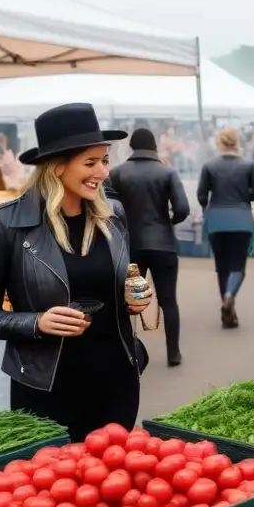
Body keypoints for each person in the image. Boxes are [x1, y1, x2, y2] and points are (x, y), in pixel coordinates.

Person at [0, 103, 147, 441]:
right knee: (53, 486)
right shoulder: (6, 224)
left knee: (113, 482)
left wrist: (132, 297)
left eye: (104, 161)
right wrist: (36, 322)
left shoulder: (113, 214)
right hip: (46, 388)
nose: (103, 172)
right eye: (90, 163)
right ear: (57, 166)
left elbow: (114, 279)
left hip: (116, 381)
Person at [109, 128, 190, 367]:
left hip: (130, 247)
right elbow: (183, 208)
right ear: (154, 146)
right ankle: (173, 353)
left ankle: (125, 351)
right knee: (168, 301)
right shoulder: (167, 172)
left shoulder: (117, 173)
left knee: (128, 301)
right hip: (164, 245)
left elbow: (108, 208)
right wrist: (167, 223)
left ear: (132, 146)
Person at [197, 128, 254, 329]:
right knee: (238, 267)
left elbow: (201, 196)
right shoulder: (248, 165)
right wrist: (242, 197)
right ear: (237, 142)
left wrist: (211, 203)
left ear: (219, 143)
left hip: (217, 220)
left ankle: (228, 312)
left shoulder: (209, 165)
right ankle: (229, 297)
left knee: (222, 267)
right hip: (241, 220)